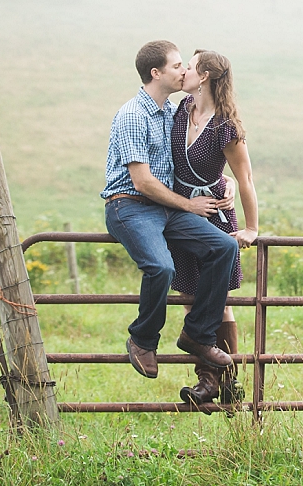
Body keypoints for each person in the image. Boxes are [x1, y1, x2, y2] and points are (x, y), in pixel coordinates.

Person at [101, 40, 239, 381]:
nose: (184, 71)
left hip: (167, 207)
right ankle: (143, 339)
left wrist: (225, 181)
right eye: (178, 66)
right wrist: (190, 205)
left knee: (224, 246)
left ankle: (197, 335)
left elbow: (198, 154)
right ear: (156, 73)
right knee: (161, 267)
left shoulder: (173, 110)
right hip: (129, 205)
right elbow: (143, 181)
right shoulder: (133, 115)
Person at [170, 49, 259, 408]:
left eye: (189, 67)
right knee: (192, 300)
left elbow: (246, 178)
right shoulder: (180, 111)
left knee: (219, 303)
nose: (184, 73)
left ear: (204, 75)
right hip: (181, 216)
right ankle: (208, 381)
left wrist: (252, 228)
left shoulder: (226, 126)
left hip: (216, 221)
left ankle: (220, 382)